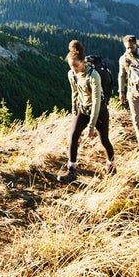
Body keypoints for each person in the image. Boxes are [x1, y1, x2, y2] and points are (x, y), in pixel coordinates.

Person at [58, 40, 115, 183]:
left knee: (104, 140)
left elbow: (96, 101)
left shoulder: (93, 75)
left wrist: (91, 125)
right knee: (72, 137)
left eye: (76, 66)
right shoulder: (72, 74)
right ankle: (71, 171)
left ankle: (111, 166)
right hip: (82, 109)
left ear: (83, 62)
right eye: (71, 66)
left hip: (99, 111)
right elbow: (74, 92)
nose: (74, 69)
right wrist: (73, 111)